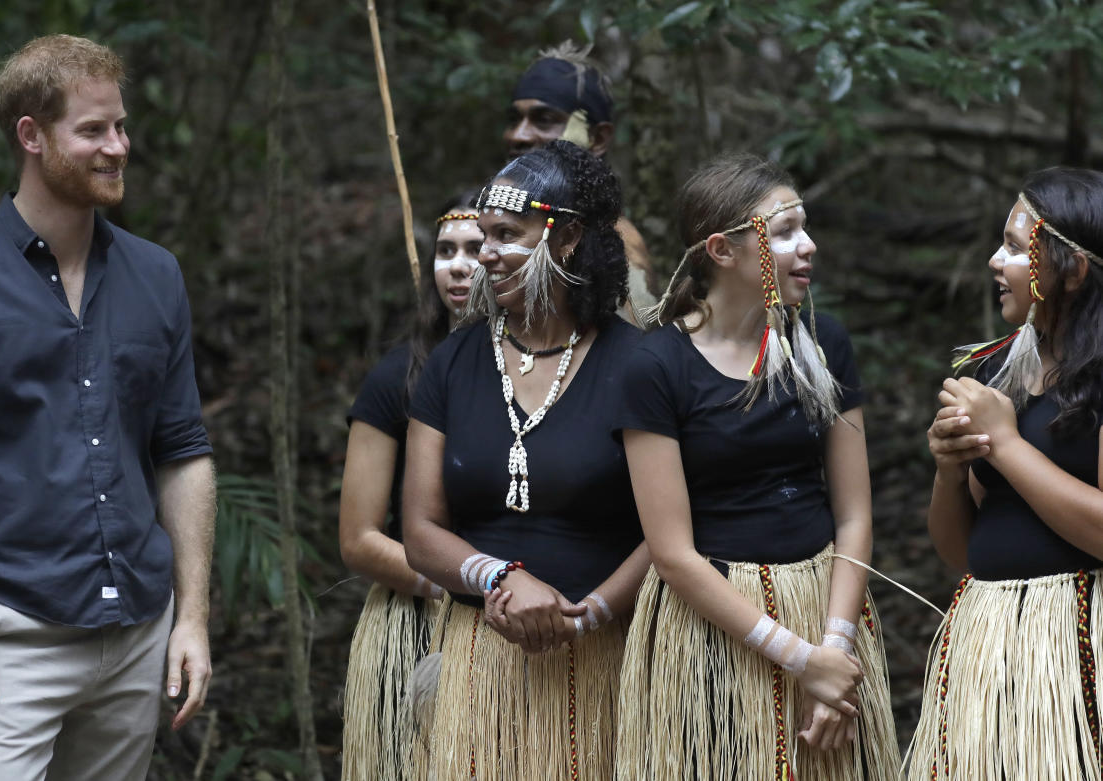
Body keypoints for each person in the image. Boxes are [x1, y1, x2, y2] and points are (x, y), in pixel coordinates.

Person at [0, 34, 215, 780]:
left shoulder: (155, 275)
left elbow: (183, 450)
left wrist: (191, 616)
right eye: (92, 130)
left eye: (121, 126)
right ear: (31, 135)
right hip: (7, 635)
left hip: (137, 634)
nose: (118, 146)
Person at [613, 153, 900, 779]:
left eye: (807, 226)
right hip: (714, 636)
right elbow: (672, 553)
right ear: (723, 249)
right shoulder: (655, 365)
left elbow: (852, 516)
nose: (809, 246)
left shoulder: (823, 343)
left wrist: (835, 650)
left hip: (825, 609)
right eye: (786, 231)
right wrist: (800, 661)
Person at [402, 140, 649, 779]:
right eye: (483, 235)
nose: (485, 254)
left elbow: (671, 531)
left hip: (605, 663)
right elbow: (421, 532)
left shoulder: (641, 365)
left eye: (506, 235)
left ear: (565, 238)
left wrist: (586, 615)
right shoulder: (453, 364)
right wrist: (498, 575)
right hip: (480, 667)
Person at [908, 167, 1103, 778]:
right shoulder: (998, 371)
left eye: (1017, 249)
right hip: (989, 645)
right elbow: (960, 550)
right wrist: (947, 471)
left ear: (1073, 269)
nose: (997, 261)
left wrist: (1006, 444)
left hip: (1079, 649)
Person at [337, 192, 481, 779]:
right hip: (421, 618)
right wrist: (467, 590)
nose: (458, 264)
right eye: (445, 250)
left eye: (476, 249)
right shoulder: (396, 378)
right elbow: (359, 539)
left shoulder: (544, 374)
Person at [504, 41, 657, 322]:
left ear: (598, 138)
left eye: (544, 120)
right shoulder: (496, 226)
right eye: (515, 120)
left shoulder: (616, 249)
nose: (518, 135)